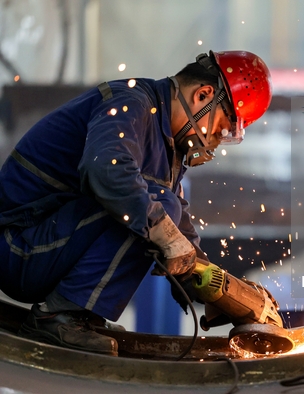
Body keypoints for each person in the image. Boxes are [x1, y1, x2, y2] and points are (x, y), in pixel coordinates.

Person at [0, 50, 272, 356]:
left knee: (158, 210)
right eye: (222, 127)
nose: (217, 140)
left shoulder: (167, 147)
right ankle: (57, 316)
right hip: (15, 248)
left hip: (42, 248)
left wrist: (223, 292)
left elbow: (179, 234)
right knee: (152, 210)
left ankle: (79, 315)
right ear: (203, 95)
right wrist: (164, 233)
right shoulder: (130, 103)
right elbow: (106, 170)